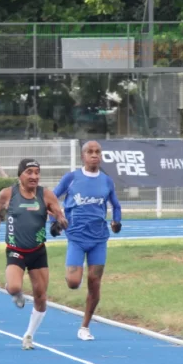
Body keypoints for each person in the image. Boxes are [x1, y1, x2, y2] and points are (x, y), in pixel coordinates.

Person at [0, 158, 67, 350]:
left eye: (37, 173)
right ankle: (13, 291)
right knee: (15, 287)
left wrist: (61, 221)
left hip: (37, 252)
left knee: (41, 296)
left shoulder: (45, 194)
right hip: (16, 251)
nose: (34, 176)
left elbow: (58, 213)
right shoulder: (8, 194)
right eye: (29, 172)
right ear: (20, 175)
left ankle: (29, 335)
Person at [51, 141, 122, 341]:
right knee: (73, 283)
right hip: (76, 237)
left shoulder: (106, 181)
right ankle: (76, 272)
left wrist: (117, 222)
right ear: (83, 156)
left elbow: (116, 205)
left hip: (99, 238)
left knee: (95, 282)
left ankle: (85, 326)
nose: (94, 155)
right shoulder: (72, 178)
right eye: (90, 152)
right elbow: (52, 199)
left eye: (97, 152)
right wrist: (55, 221)